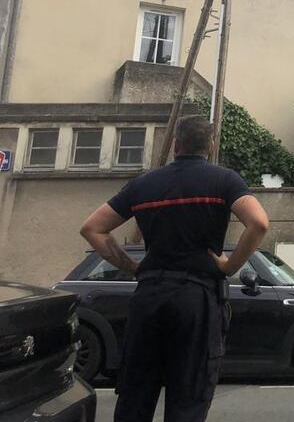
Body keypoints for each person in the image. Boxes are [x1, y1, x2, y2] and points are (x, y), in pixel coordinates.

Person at [79, 116, 269, 422]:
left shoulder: (143, 185)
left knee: (135, 395)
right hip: (197, 300)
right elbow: (258, 223)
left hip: (149, 297)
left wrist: (132, 266)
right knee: (188, 398)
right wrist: (228, 265)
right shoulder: (224, 181)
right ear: (211, 145)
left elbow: (92, 229)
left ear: (175, 146)